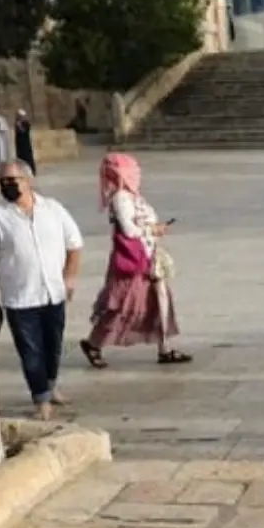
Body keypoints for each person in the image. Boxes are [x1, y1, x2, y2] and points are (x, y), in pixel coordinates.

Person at [0, 161, 83, 421]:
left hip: (52, 292)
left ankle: (51, 385)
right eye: (2, 182)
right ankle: (41, 398)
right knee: (31, 351)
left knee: (53, 345)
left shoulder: (53, 209)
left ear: (28, 180)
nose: (8, 185)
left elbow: (74, 244)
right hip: (20, 297)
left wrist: (69, 277)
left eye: (13, 180)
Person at [81, 153, 188, 369]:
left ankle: (164, 347)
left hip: (149, 257)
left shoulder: (132, 196)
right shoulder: (121, 198)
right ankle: (94, 343)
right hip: (133, 261)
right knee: (124, 305)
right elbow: (129, 231)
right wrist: (153, 228)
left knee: (159, 301)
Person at [15, 110, 37, 175]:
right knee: (21, 158)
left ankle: (31, 171)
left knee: (28, 157)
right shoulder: (16, 123)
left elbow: (24, 131)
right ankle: (21, 171)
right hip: (19, 144)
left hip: (26, 144)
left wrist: (19, 126)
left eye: (21, 116)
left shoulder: (26, 123)